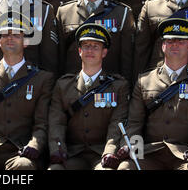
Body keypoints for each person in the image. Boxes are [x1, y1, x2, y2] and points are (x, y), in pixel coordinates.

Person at [0, 11, 54, 170]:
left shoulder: (42, 78)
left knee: (23, 166)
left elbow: (41, 123)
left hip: (20, 150)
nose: (10, 38)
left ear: (26, 42)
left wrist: (35, 146)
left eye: (16, 34)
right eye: (5, 34)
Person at [117, 18, 188, 170]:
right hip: (150, 153)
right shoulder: (144, 81)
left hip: (185, 154)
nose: (174, 44)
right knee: (126, 167)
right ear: (162, 46)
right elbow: (135, 122)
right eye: (170, 40)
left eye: (181, 41)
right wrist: (135, 151)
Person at [48, 23, 130, 170]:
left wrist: (109, 152)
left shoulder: (118, 86)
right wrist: (57, 149)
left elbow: (117, 123)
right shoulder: (63, 85)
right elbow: (56, 123)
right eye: (86, 46)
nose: (90, 50)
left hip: (101, 153)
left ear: (104, 52)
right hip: (72, 153)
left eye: (96, 46)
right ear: (79, 51)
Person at [56, 0, 136, 82]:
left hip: (109, 87)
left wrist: (124, 88)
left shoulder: (122, 13)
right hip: (72, 88)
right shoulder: (64, 12)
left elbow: (127, 60)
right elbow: (58, 57)